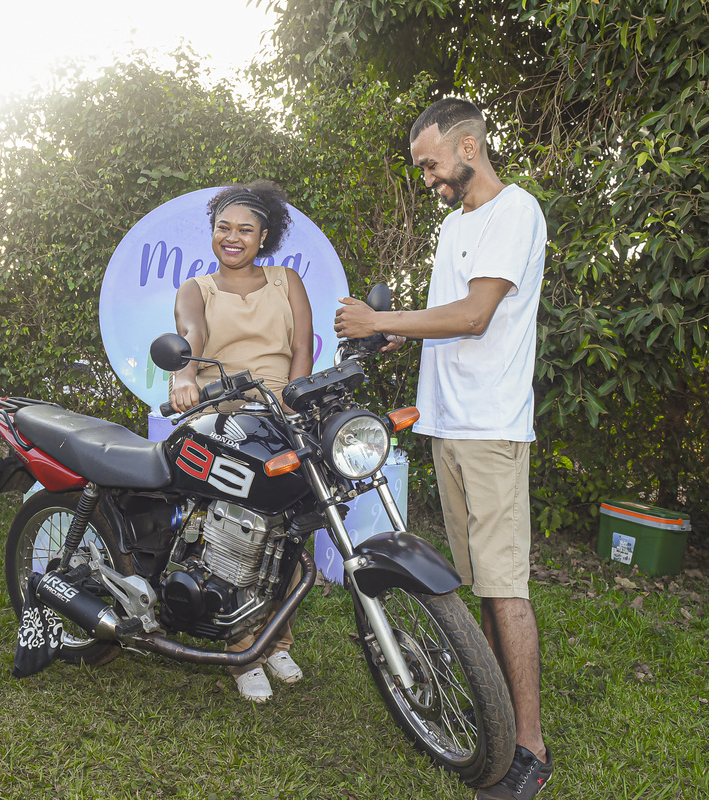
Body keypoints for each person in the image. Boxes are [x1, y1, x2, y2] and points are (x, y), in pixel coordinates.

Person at [334, 97, 552, 799]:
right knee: (475, 581)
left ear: (468, 147)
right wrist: (396, 334)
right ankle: (494, 717)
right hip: (448, 424)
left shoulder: (514, 211)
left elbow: (476, 314)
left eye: (431, 165)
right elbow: (446, 318)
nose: (427, 178)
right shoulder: (456, 226)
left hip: (491, 427)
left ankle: (529, 748)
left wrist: (378, 319)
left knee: (505, 587)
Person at [168, 180, 314, 702]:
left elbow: (302, 349)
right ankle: (242, 650)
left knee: (291, 532)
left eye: (245, 230)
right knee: (234, 534)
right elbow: (190, 340)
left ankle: (278, 641)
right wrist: (184, 377)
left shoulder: (286, 281)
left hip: (283, 414)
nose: (233, 238)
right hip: (222, 415)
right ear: (212, 232)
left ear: (263, 236)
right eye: (223, 228)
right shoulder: (196, 289)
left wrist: (294, 401)